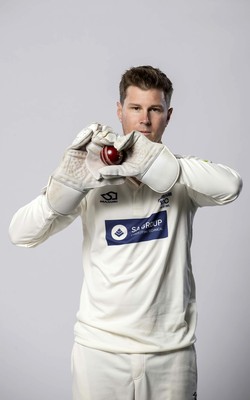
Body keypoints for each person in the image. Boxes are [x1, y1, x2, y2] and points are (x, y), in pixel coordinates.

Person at [9, 65, 242, 400]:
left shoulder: (182, 178)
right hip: (99, 352)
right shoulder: (91, 176)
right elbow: (21, 234)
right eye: (135, 108)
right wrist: (62, 190)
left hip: (171, 353)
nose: (144, 120)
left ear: (168, 115)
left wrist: (157, 163)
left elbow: (231, 186)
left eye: (155, 109)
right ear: (119, 111)